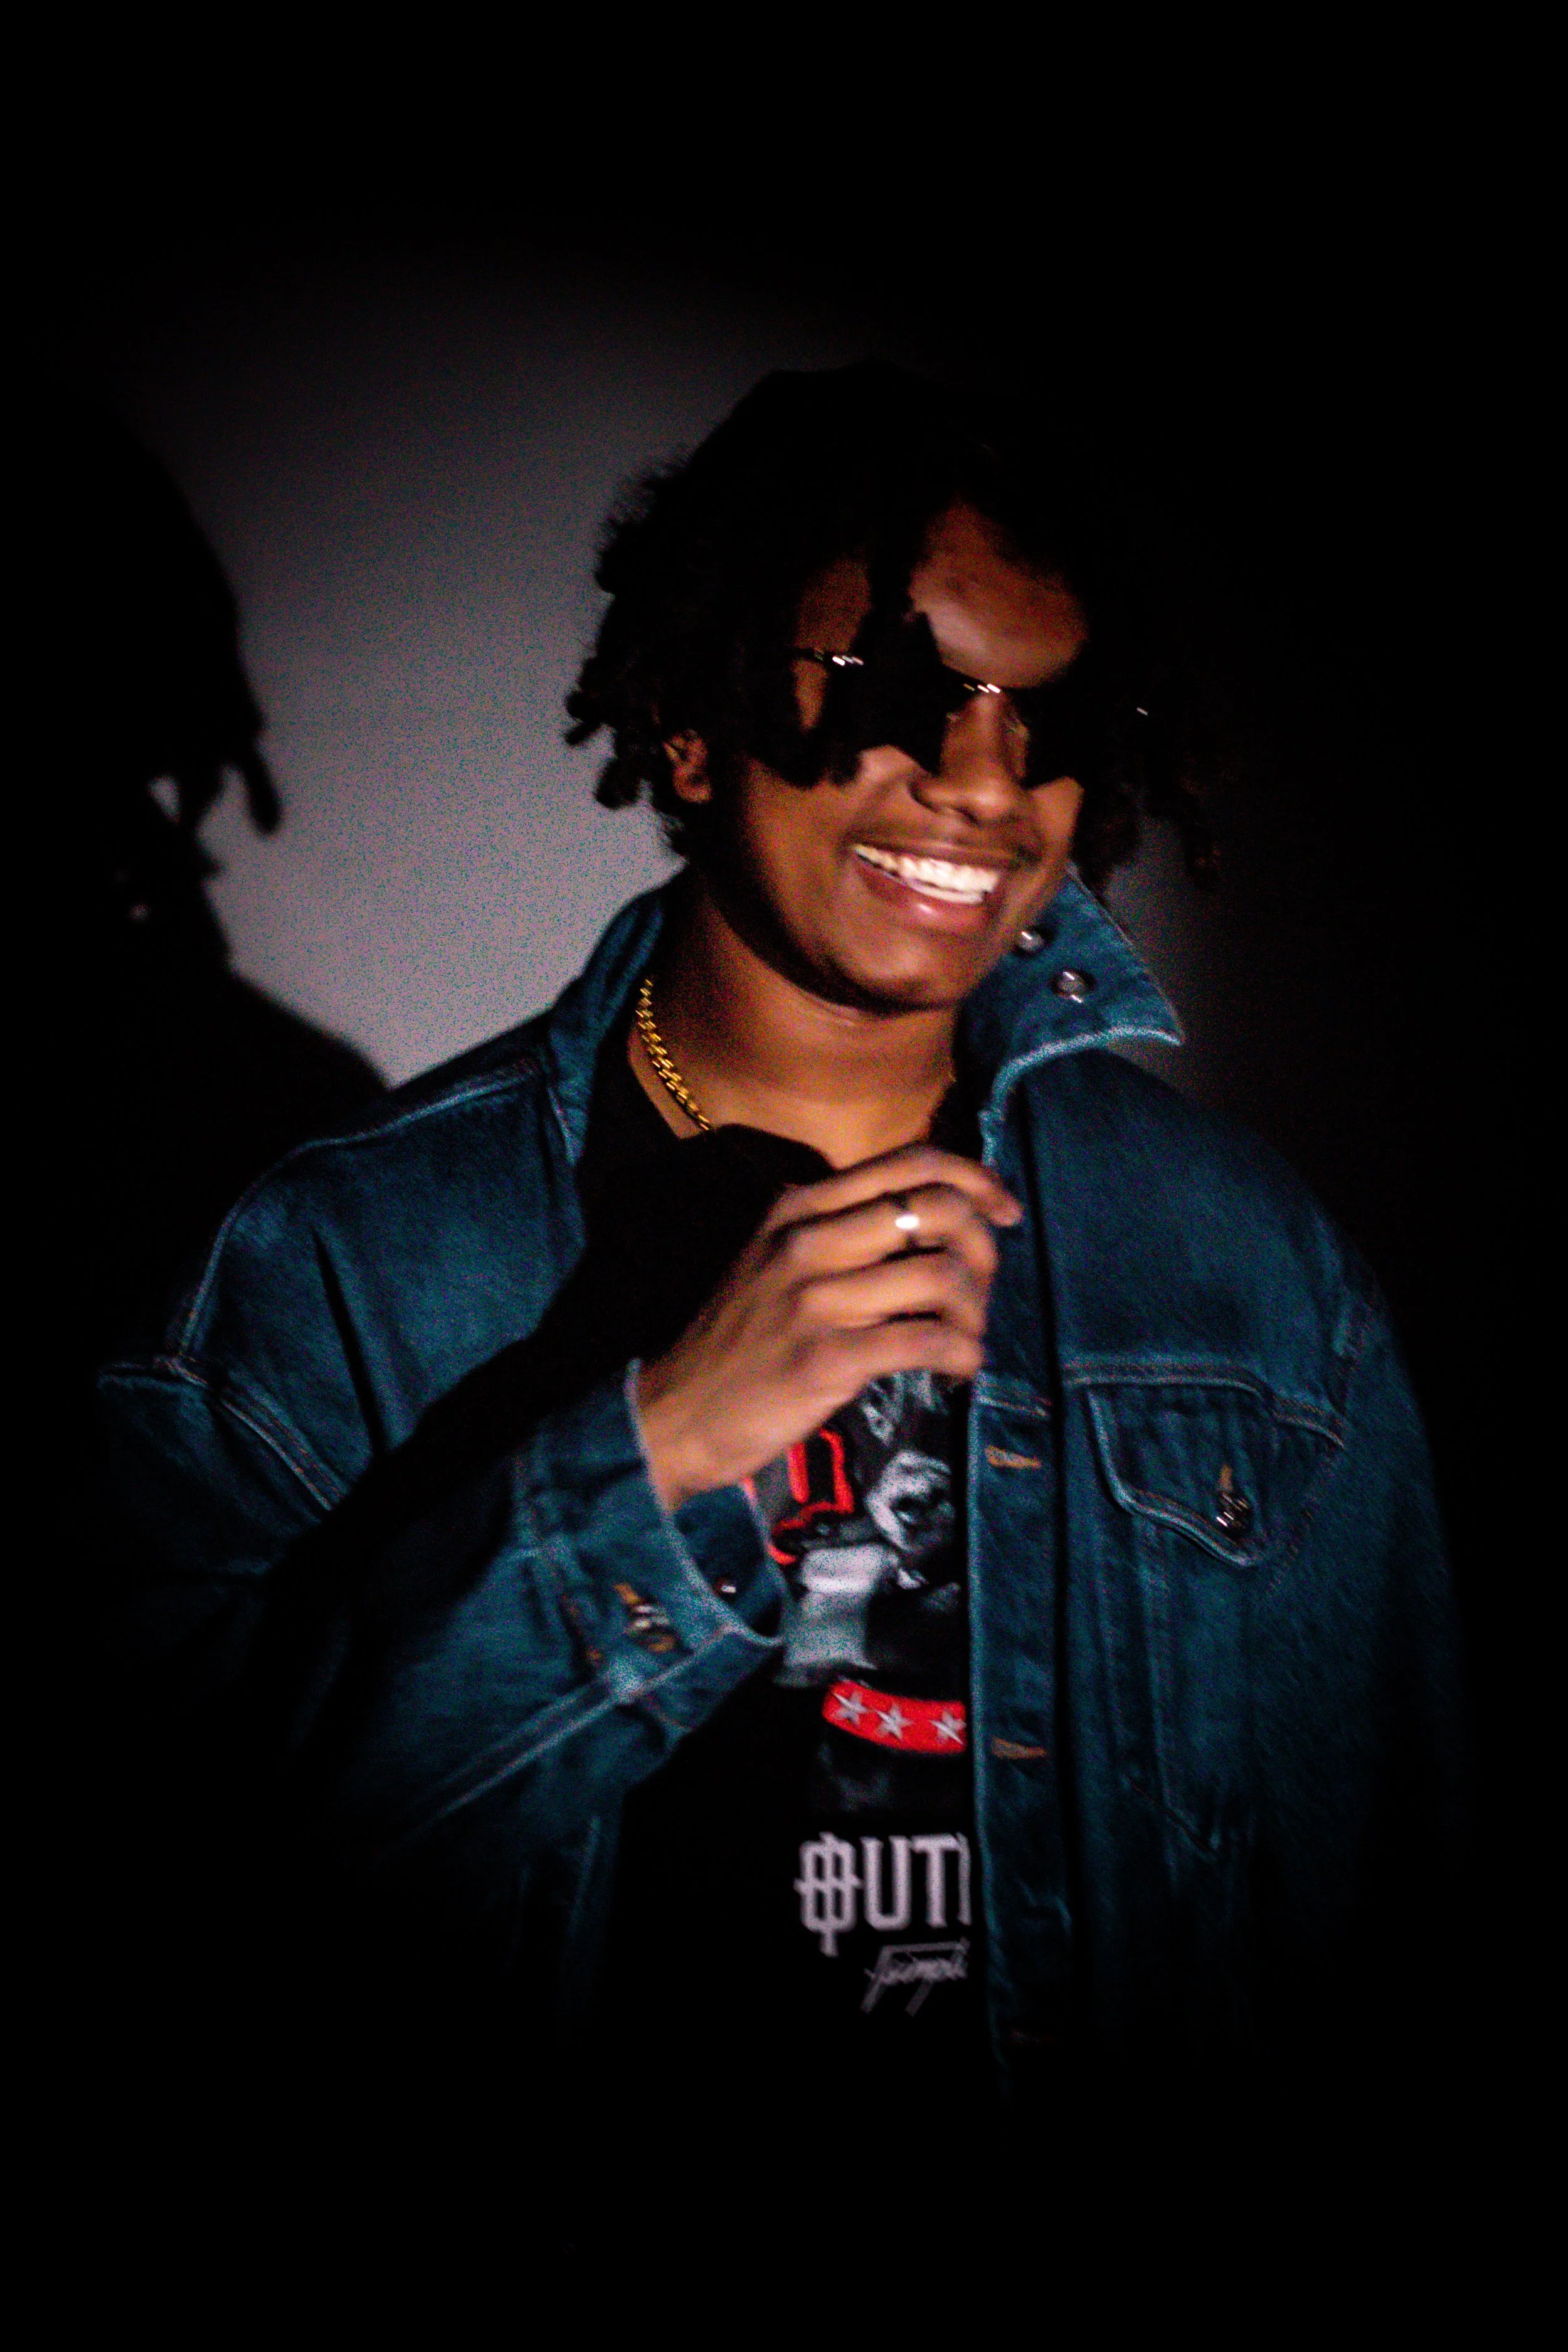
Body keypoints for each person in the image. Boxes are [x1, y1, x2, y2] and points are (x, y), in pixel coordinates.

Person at [94, 363, 1466, 2161]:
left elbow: (1392, 1926)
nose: (978, 776)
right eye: (895, 686)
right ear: (689, 722)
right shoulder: (347, 1257)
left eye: (1040, 716)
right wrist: (643, 1458)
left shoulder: (1234, 1274)